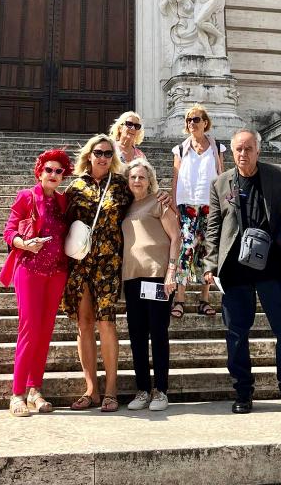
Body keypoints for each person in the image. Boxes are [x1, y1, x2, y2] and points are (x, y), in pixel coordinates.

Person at [204, 129, 281, 415]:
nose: (243, 154)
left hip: (273, 265)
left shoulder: (275, 174)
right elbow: (214, 227)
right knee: (236, 333)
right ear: (232, 152)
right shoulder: (220, 183)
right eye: (239, 149)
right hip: (234, 269)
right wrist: (210, 264)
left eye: (249, 149)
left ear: (258, 150)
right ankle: (243, 392)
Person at [0, 148, 73, 416]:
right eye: (49, 170)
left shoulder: (64, 202)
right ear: (40, 172)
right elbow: (9, 231)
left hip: (56, 272)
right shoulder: (27, 197)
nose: (53, 174)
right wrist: (24, 244)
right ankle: (17, 394)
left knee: (45, 331)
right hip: (29, 269)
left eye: (59, 171)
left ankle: (35, 390)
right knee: (29, 330)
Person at [62, 133, 133, 413]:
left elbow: (141, 207)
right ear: (89, 155)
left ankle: (111, 390)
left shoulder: (122, 185)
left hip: (109, 262)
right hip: (80, 264)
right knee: (84, 323)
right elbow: (62, 223)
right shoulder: (75, 187)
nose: (103, 157)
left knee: (107, 323)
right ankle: (91, 389)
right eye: (98, 152)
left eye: (107, 153)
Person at [121, 157, 181, 412]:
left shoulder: (159, 201)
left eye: (142, 177)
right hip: (132, 277)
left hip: (156, 275)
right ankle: (143, 389)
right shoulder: (124, 207)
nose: (137, 181)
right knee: (136, 335)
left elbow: (176, 236)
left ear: (149, 180)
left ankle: (161, 391)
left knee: (158, 332)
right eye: (133, 177)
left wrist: (171, 272)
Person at [170, 104, 225, 318]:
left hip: (209, 205)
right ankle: (180, 299)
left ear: (205, 122)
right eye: (189, 120)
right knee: (186, 250)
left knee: (206, 251)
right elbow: (175, 179)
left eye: (196, 119)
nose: (192, 123)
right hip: (186, 207)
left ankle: (204, 299)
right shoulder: (180, 149)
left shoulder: (217, 147)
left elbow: (222, 177)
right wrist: (174, 206)